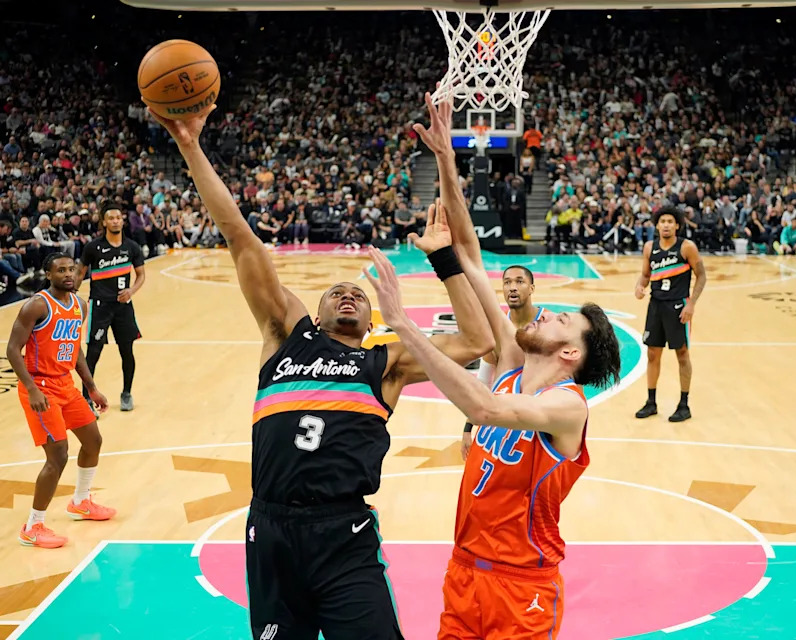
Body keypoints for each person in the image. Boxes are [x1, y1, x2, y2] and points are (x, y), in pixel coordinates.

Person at [148, 103, 493, 640]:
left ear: (372, 320)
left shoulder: (386, 361)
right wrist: (190, 147)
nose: (347, 294)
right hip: (271, 528)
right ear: (314, 309)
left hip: (343, 532)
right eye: (336, 292)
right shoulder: (285, 333)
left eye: (357, 293)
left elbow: (478, 341)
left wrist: (444, 260)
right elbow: (241, 238)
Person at [368, 91, 622, 640]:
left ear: (571, 354)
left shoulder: (567, 407)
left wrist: (406, 326)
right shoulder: (510, 363)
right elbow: (471, 256)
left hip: (522, 585)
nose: (543, 313)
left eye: (559, 320)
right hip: (463, 572)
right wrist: (446, 159)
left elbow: (484, 407)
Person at [5, 252, 114, 549]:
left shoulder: (79, 305)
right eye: (61, 270)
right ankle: (32, 526)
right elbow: (13, 349)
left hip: (66, 384)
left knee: (93, 441)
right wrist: (31, 388)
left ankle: (80, 502)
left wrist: (91, 387)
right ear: (48, 275)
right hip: (40, 387)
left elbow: (74, 348)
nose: (68, 274)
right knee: (58, 456)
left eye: (72, 269)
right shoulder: (37, 305)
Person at [461, 264, 543, 460]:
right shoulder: (495, 330)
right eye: (507, 283)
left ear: (531, 288)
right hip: (503, 419)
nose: (512, 287)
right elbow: (483, 381)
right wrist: (467, 428)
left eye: (519, 282)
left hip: (538, 420)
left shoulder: (548, 325)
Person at [634, 206, 707, 422]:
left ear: (677, 225)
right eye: (662, 221)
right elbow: (645, 275)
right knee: (652, 354)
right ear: (657, 225)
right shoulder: (649, 247)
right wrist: (639, 286)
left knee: (682, 354)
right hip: (655, 305)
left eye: (670, 221)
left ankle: (684, 405)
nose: (666, 225)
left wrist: (691, 304)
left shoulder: (687, 247)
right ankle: (651, 402)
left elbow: (702, 276)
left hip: (678, 306)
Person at [77, 205, 146, 413]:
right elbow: (79, 274)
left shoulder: (132, 247)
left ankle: (126, 393)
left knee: (127, 352)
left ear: (122, 221)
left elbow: (141, 275)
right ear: (104, 222)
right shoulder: (92, 247)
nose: (115, 221)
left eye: (118, 217)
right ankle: (86, 398)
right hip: (99, 307)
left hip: (123, 307)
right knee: (93, 354)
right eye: (111, 218)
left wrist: (131, 291)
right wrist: (69, 298)